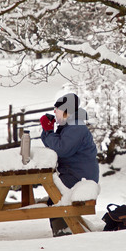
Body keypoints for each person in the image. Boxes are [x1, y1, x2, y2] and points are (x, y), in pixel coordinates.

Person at [40, 93, 99, 236]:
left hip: (80, 178)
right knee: (52, 196)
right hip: (76, 174)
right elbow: (56, 146)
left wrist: (48, 131)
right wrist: (47, 132)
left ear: (67, 111)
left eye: (57, 110)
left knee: (54, 198)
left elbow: (61, 149)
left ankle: (64, 233)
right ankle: (64, 229)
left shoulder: (76, 127)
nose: (54, 113)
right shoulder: (70, 126)